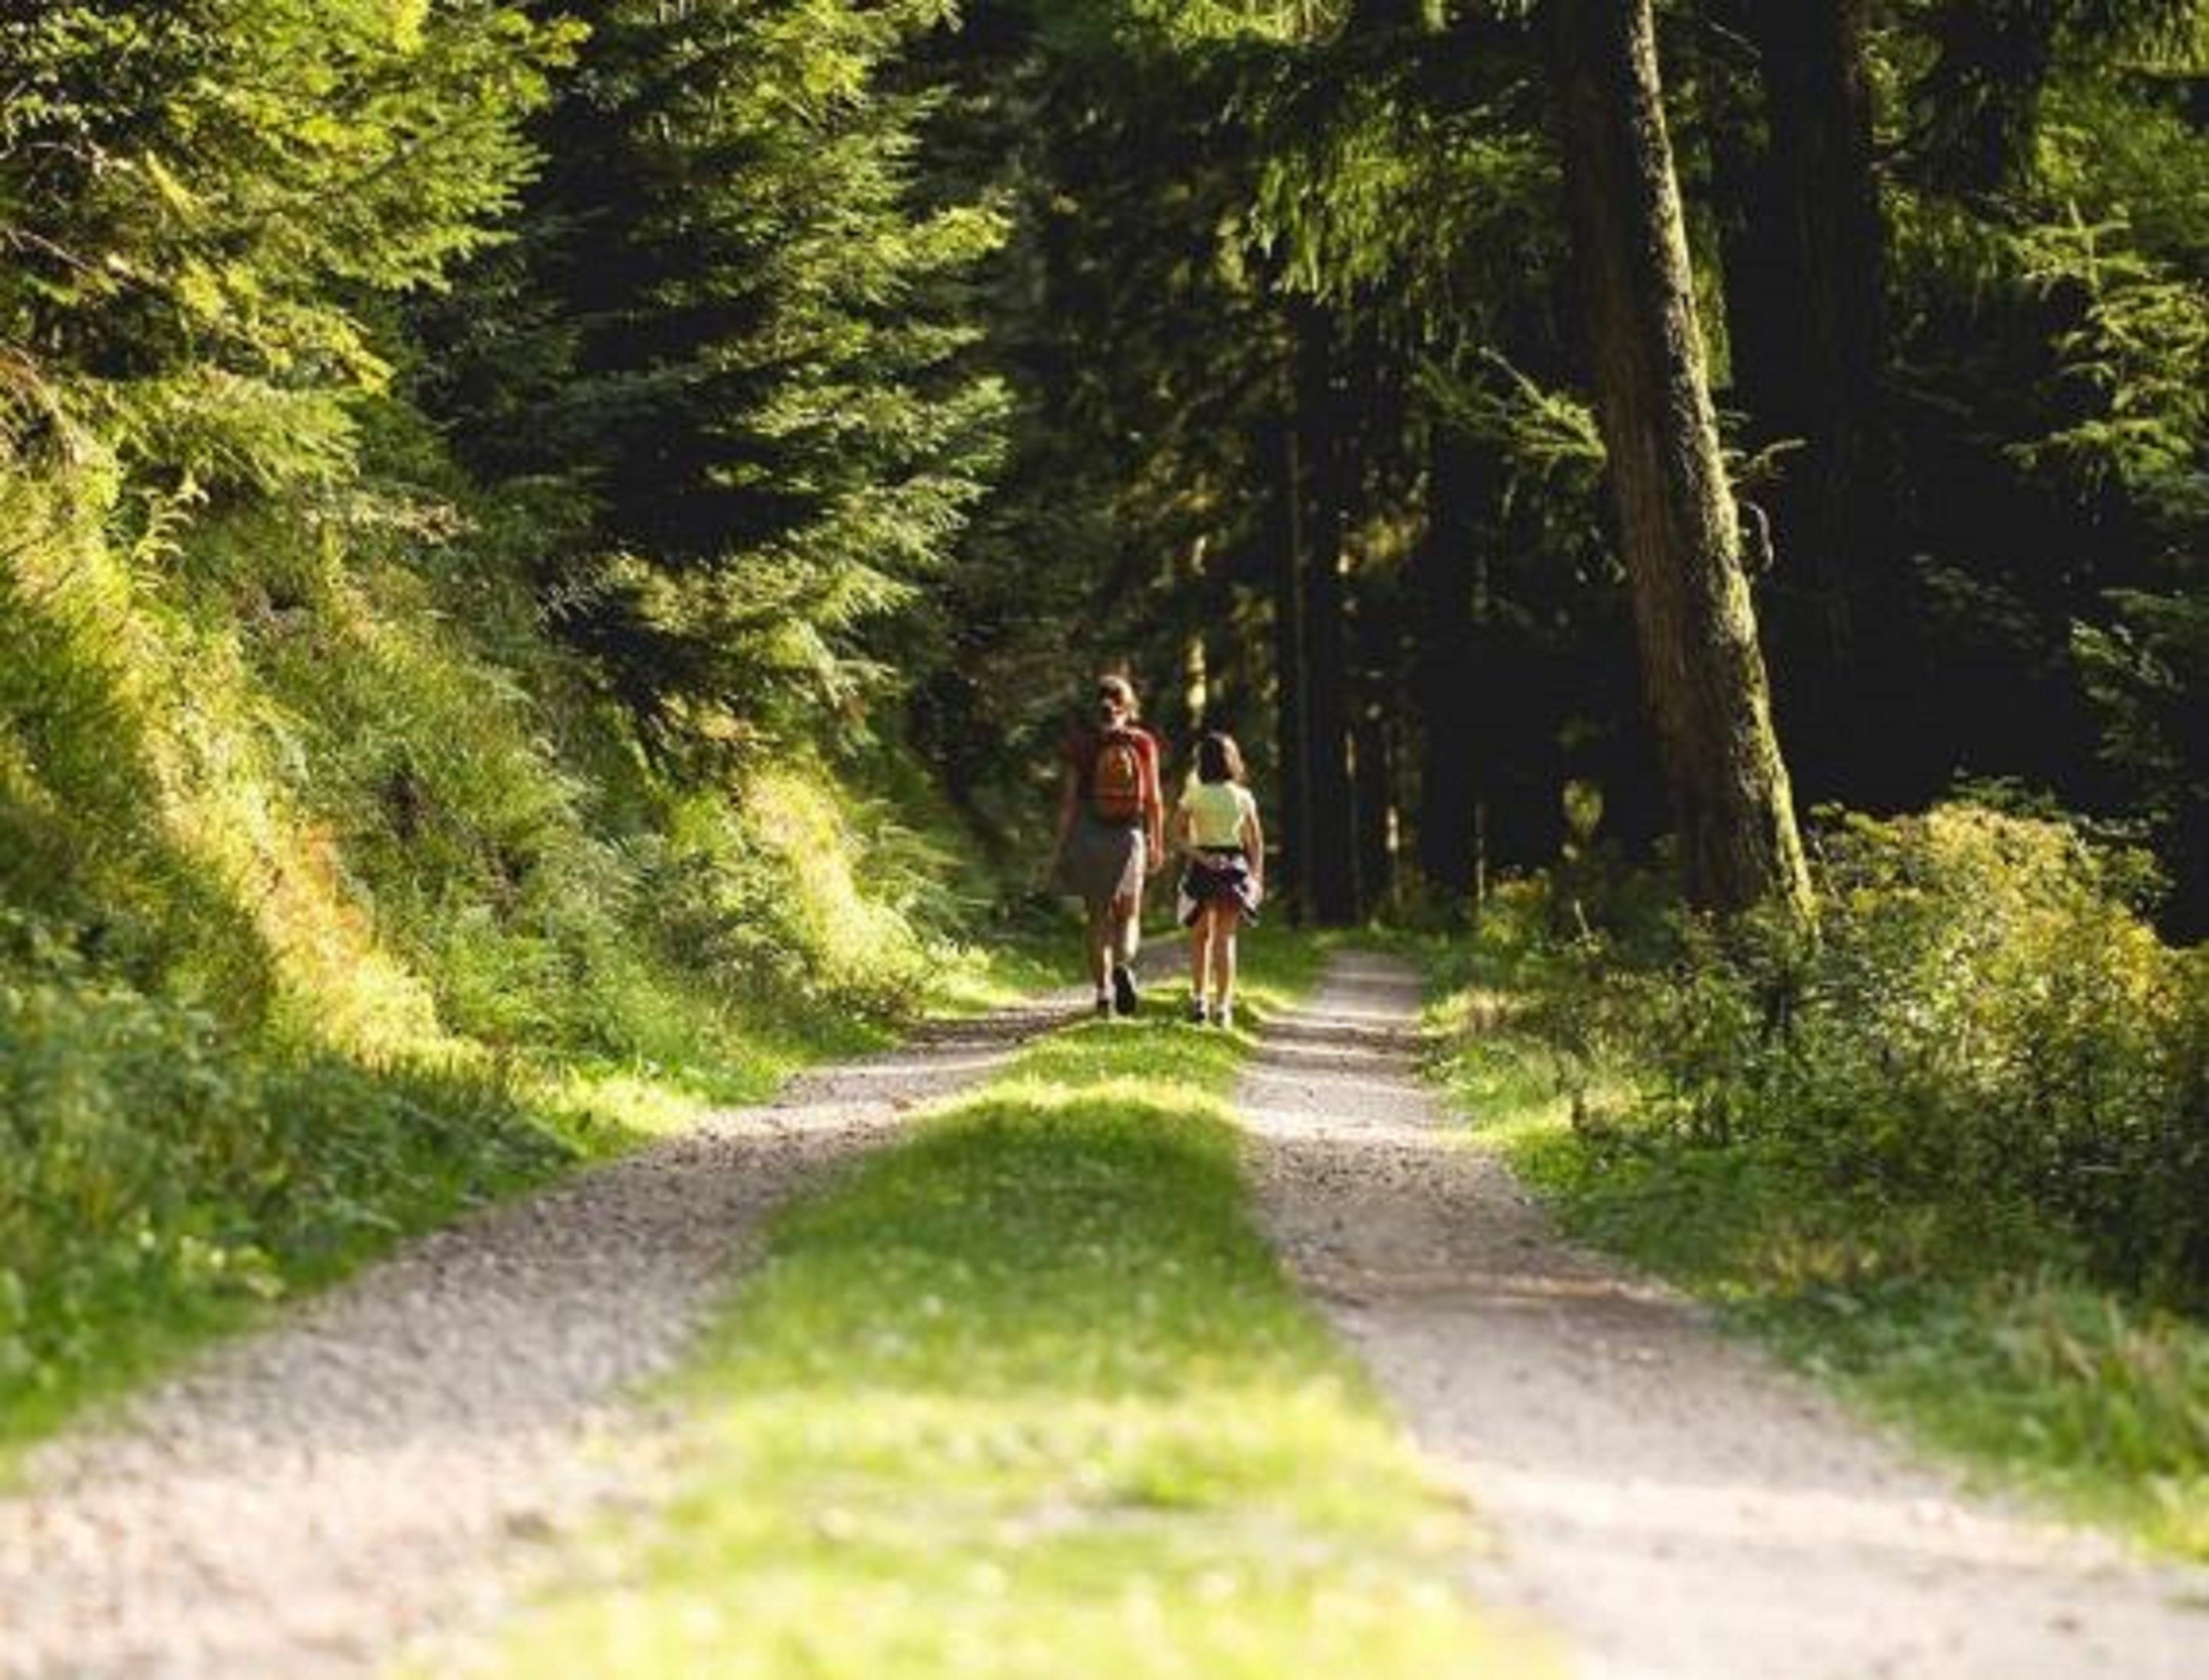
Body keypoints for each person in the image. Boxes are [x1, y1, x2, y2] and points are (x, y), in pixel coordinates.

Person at [1049, 674, 1164, 1016]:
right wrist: (1156, 840)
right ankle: (1123, 966)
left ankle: (1102, 995)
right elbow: (1155, 798)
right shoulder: (1142, 742)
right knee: (1129, 915)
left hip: (1089, 833)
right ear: (1129, 706)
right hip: (1129, 834)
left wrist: (1058, 848)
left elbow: (1069, 803)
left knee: (1097, 918)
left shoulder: (1081, 744)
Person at [1170, 730, 1263, 1028]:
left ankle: (1199, 999)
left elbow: (1175, 835)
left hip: (1202, 868)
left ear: (1202, 762)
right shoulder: (1243, 797)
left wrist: (1200, 857)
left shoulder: (1194, 795)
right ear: (1232, 761)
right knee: (1227, 939)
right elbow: (1255, 842)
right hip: (1234, 870)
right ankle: (1223, 1007)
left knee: (1200, 938)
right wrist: (1256, 876)